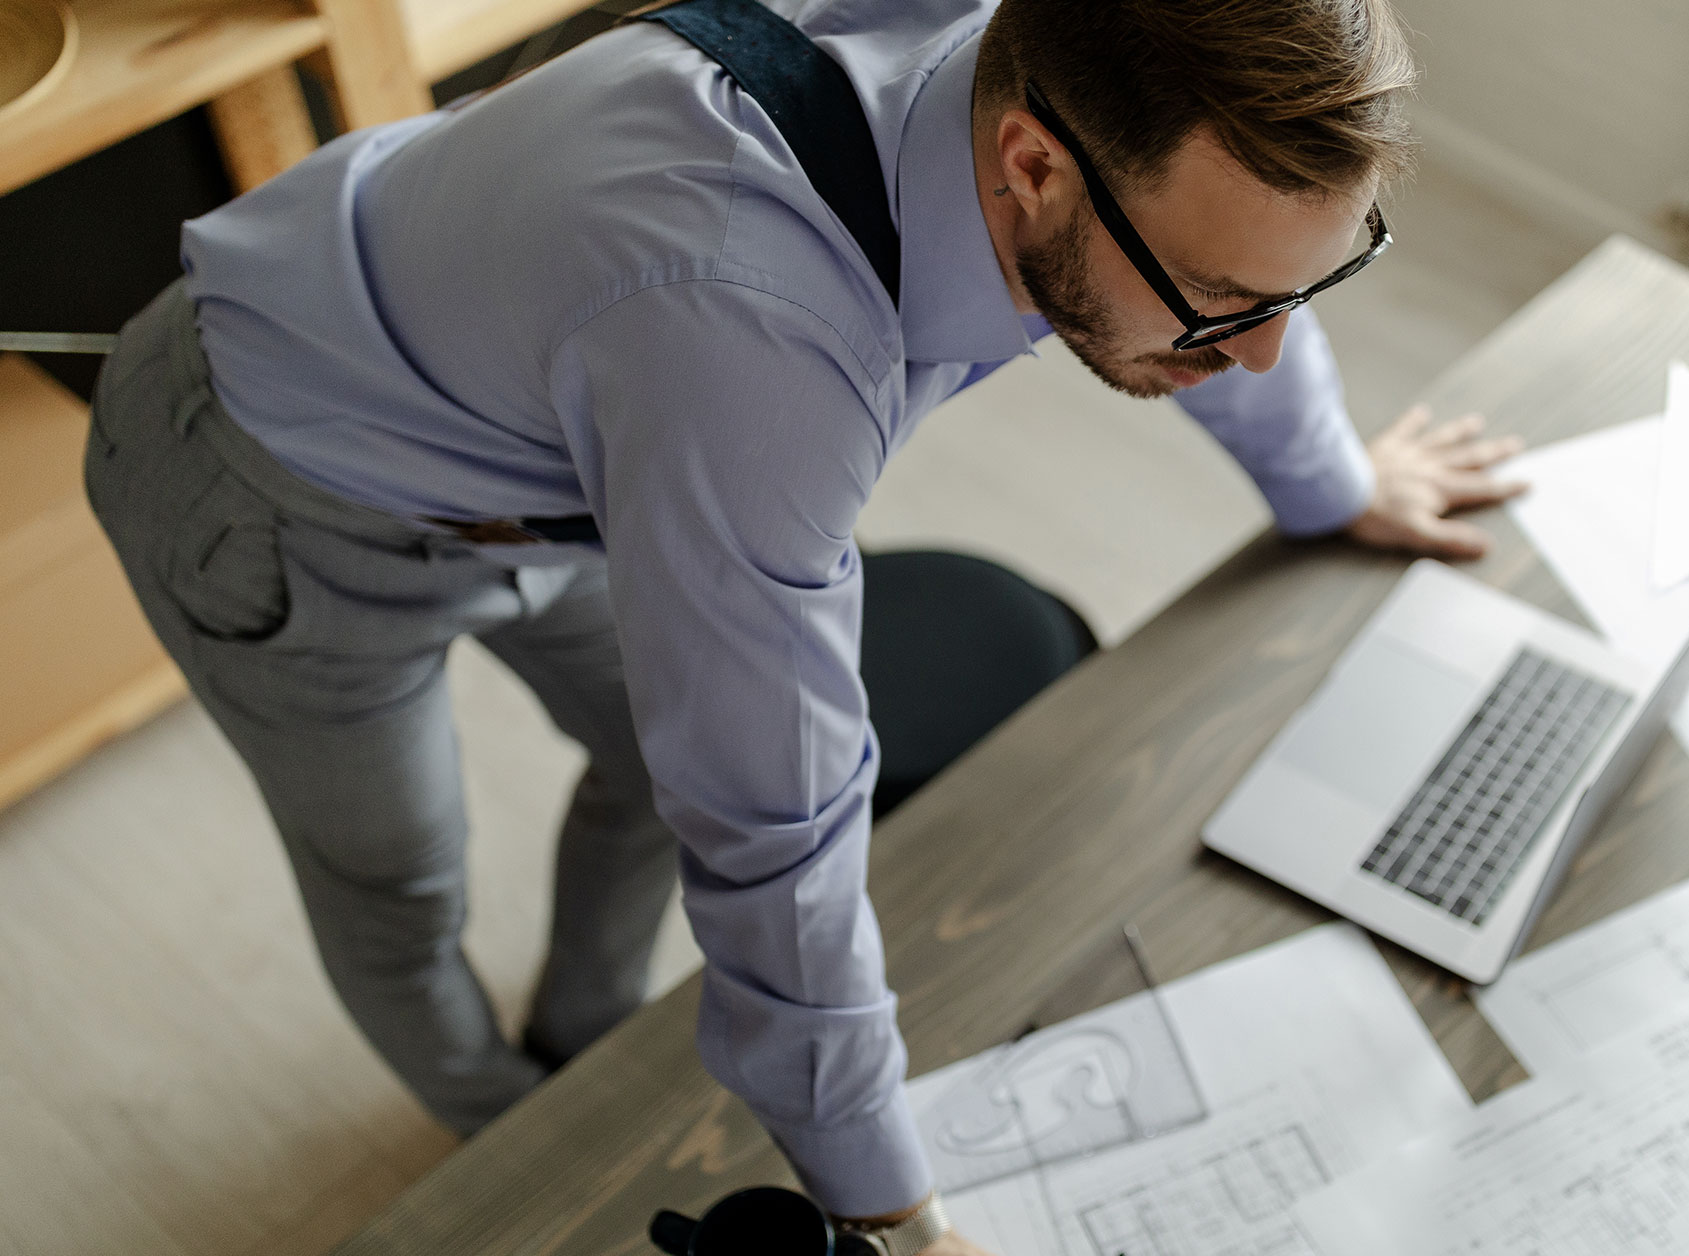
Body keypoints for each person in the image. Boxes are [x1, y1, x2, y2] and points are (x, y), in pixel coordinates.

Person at [82, 0, 1523, 1250]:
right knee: (400, 882)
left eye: (1307, 285)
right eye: (1217, 307)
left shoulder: (1065, 73)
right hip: (266, 477)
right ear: (1031, 165)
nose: (1258, 351)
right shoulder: (752, 344)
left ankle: (583, 1037)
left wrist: (1332, 484)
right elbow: (776, 821)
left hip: (558, 426)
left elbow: (1233, 267)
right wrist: (892, 1222)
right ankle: (508, 1130)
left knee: (654, 770)